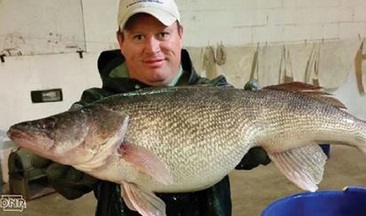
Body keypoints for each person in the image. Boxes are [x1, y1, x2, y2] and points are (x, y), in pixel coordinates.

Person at [31, 0, 271, 215]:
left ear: (180, 34)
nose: (152, 48)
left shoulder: (218, 93)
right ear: (120, 41)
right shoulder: (95, 103)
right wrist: (69, 170)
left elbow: (251, 155)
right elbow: (68, 186)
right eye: (138, 37)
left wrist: (264, 146)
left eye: (162, 34)